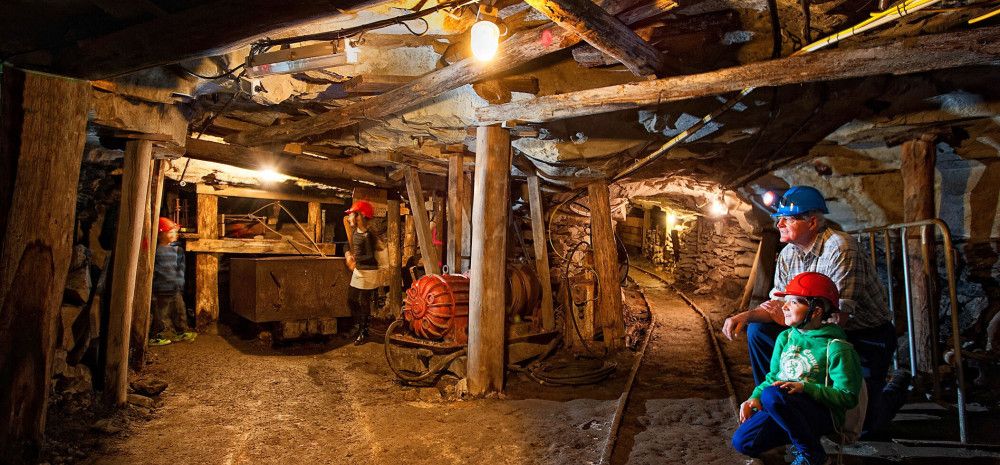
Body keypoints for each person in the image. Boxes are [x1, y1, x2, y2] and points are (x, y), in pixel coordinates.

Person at [722, 186, 908, 435]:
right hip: (815, 329)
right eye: (778, 219)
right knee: (758, 329)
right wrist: (744, 316)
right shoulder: (789, 254)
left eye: (787, 219)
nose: (779, 225)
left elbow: (836, 318)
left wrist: (803, 370)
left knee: (863, 426)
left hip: (864, 336)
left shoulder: (841, 248)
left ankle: (898, 385)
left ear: (811, 222)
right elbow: (781, 305)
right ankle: (773, 402)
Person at [732, 272, 863, 465]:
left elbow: (848, 396)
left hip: (822, 414)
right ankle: (799, 439)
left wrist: (806, 388)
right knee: (743, 442)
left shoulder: (836, 347)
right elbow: (773, 376)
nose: (784, 307)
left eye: (793, 302)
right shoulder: (785, 338)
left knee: (773, 396)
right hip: (786, 405)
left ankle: (813, 455)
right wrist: (754, 397)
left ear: (816, 311)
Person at [150, 217, 196, 345]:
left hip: (175, 288)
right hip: (161, 288)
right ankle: (156, 336)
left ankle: (181, 332)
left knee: (179, 310)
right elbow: (153, 270)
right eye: (170, 232)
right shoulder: (156, 251)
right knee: (160, 314)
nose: (174, 234)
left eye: (175, 232)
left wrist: (180, 281)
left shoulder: (177, 250)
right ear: (160, 235)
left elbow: (180, 268)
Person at [344, 200, 380, 345]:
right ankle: (359, 326)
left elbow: (371, 256)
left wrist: (356, 260)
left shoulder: (369, 235)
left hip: (368, 271)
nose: (351, 217)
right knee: (352, 299)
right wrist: (348, 255)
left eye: (353, 214)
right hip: (359, 270)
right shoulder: (354, 231)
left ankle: (363, 331)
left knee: (362, 301)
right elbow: (348, 244)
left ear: (360, 216)